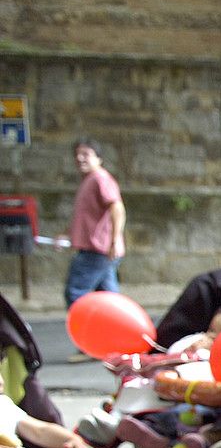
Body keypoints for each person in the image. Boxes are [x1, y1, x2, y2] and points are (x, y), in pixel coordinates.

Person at [64, 138, 126, 361]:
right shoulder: (90, 180)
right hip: (97, 249)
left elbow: (117, 207)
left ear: (98, 158)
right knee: (109, 298)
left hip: (97, 250)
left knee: (76, 294)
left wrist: (115, 238)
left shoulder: (100, 178)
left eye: (87, 154)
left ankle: (90, 345)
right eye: (78, 154)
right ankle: (116, 343)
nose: (80, 158)